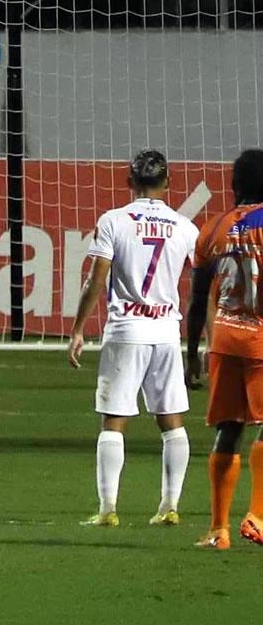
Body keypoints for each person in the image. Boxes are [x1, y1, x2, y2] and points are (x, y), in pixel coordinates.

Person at [67, 149, 198, 527]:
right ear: (169, 183)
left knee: (114, 422)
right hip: (166, 332)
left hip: (126, 331)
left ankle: (108, 509)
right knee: (172, 421)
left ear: (130, 181)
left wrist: (78, 330)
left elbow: (97, 278)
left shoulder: (113, 221)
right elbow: (201, 283)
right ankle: (169, 506)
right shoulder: (185, 227)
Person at [187, 148, 263, 550]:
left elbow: (198, 300)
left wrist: (190, 356)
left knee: (228, 429)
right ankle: (258, 515)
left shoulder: (211, 229)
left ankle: (219, 530)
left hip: (224, 341)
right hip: (260, 337)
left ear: (234, 187)